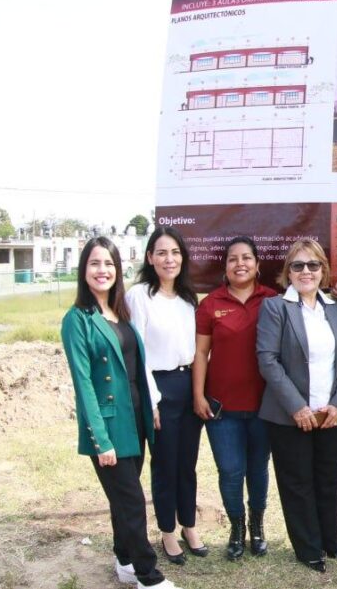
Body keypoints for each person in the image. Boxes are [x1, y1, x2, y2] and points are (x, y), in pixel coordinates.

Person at [61, 237, 181, 589]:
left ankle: (124, 559)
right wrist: (100, 441)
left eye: (109, 263)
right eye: (95, 263)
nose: (103, 270)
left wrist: (152, 407)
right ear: (84, 271)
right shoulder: (77, 320)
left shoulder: (121, 313)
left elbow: (136, 369)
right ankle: (148, 574)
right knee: (131, 501)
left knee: (122, 499)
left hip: (136, 420)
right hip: (109, 427)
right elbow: (83, 385)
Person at [256, 240, 337, 573]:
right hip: (289, 416)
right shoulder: (275, 308)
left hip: (329, 414)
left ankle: (330, 541)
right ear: (288, 272)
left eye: (313, 265)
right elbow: (268, 360)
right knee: (297, 483)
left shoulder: (334, 308)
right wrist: (297, 407)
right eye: (298, 266)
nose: (306, 272)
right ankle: (309, 548)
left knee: (329, 480)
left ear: (323, 270)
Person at [192, 236, 278, 560]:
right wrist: (198, 395)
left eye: (246, 258)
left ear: (257, 264)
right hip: (221, 409)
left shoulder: (273, 299)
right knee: (230, 471)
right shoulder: (210, 304)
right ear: (225, 267)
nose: (239, 263)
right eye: (232, 259)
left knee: (258, 469)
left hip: (264, 407)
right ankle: (236, 527)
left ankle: (257, 526)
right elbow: (201, 353)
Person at [126, 226, 205, 565]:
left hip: (190, 386)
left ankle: (189, 524)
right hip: (159, 387)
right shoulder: (140, 295)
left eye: (174, 252)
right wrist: (153, 400)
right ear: (150, 258)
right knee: (165, 464)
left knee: (188, 462)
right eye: (161, 252)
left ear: (182, 257)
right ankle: (168, 531)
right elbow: (138, 353)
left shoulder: (189, 298)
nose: (168, 259)